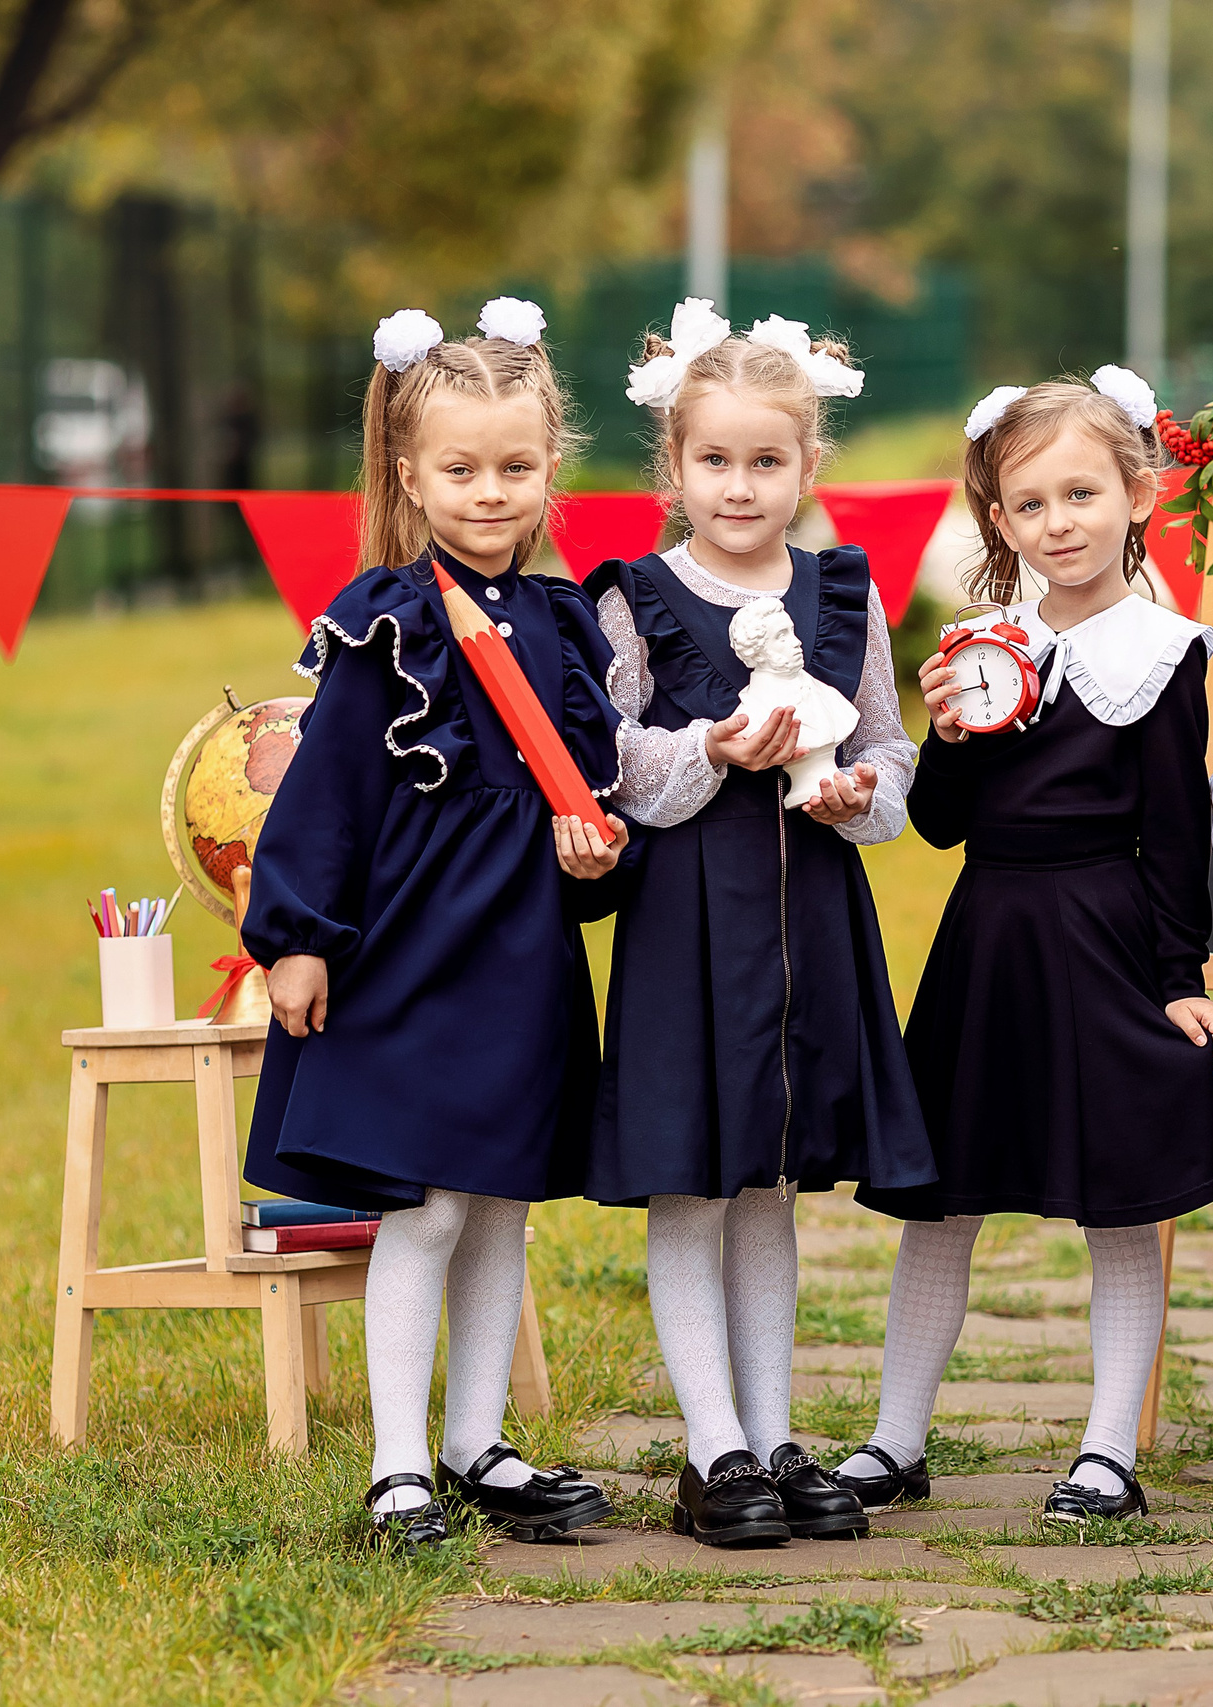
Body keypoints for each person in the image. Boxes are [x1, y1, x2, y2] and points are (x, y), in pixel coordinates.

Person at [241, 300, 630, 1549]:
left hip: (519, 960)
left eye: (515, 468)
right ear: (410, 474)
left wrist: (592, 856)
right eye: (459, 470)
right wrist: (295, 934)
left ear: (550, 470)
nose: (488, 492)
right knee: (425, 1208)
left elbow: (591, 803)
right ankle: (398, 1468)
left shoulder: (569, 623)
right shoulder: (385, 619)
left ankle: (479, 1443)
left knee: (500, 1201)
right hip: (406, 956)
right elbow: (327, 792)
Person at [836, 371, 1213, 1525]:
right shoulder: (981, 648)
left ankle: (1108, 1451)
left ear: (1136, 496)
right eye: (1031, 502)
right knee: (940, 1200)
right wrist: (948, 734)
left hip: (1107, 942)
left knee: (1119, 1199)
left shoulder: (1166, 656)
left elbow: (1175, 834)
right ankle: (893, 1439)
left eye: (1081, 492)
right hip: (989, 941)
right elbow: (940, 825)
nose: (1059, 520)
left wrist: (1179, 981)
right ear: (999, 521)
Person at [584, 300, 937, 1547]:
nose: (740, 486)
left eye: (766, 460)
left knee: (772, 1185)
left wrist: (858, 794)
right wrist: (708, 748)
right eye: (715, 460)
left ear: (808, 465)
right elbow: (608, 758)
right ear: (673, 468)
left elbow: (888, 744)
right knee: (693, 1179)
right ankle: (710, 1447)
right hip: (691, 926)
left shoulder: (846, 596)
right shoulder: (632, 599)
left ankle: (778, 1434)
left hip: (812, 925)